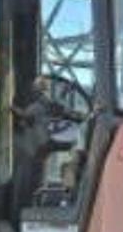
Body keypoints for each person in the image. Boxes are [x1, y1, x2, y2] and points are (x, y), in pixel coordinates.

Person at [11, 76, 84, 215]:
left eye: (40, 90)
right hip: (38, 150)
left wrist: (13, 109)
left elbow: (25, 118)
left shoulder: (40, 108)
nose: (40, 93)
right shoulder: (49, 106)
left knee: (34, 179)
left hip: (39, 149)